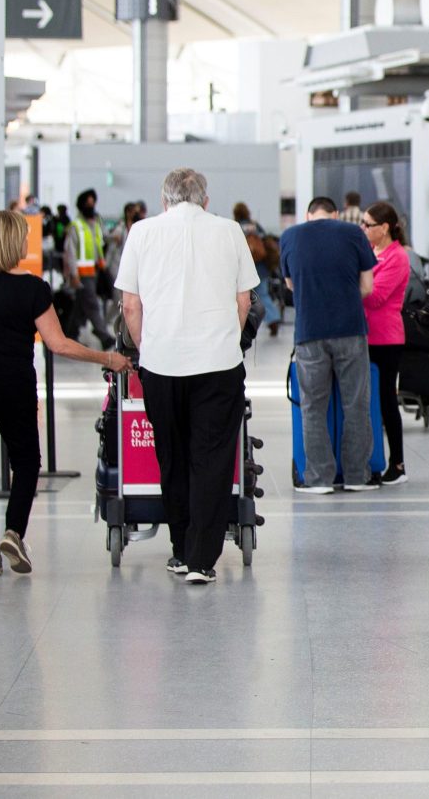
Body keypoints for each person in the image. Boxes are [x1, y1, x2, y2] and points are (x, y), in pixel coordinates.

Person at [115, 169, 260, 584]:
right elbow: (244, 298)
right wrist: (227, 339)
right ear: (205, 200)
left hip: (161, 364)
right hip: (218, 364)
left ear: (165, 201)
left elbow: (130, 304)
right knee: (212, 459)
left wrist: (147, 348)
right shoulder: (230, 230)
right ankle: (201, 560)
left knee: (172, 456)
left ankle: (180, 550)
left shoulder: (142, 232)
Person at [0, 212, 131, 576]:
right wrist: (108, 357)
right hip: (15, 384)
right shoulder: (33, 288)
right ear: (16, 243)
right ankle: (13, 531)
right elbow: (58, 344)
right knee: (26, 462)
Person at [280, 196, 380, 494]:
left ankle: (318, 478)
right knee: (356, 405)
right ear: (335, 214)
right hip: (350, 328)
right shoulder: (352, 233)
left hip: (309, 331)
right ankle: (356, 476)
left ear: (309, 214)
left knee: (312, 407)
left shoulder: (290, 236)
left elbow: (289, 285)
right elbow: (368, 287)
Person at [360, 201, 411, 486]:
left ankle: (398, 463)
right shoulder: (369, 252)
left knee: (386, 401)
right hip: (364, 336)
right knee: (367, 402)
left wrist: (350, 284)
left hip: (385, 338)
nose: (363, 229)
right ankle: (372, 459)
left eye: (368, 224)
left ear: (384, 228)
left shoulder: (397, 257)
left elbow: (376, 297)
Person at [63, 188, 115, 350]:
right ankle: (103, 335)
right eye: (88, 203)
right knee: (92, 303)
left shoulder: (96, 222)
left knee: (81, 306)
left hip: (97, 271)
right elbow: (70, 251)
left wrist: (114, 237)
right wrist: (73, 274)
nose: (91, 206)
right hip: (82, 273)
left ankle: (70, 334)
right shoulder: (76, 226)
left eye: (93, 202)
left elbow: (103, 239)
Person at [232, 203, 283, 338]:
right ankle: (273, 318)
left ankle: (245, 324)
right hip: (261, 266)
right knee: (263, 294)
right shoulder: (254, 225)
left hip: (245, 267)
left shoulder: (235, 226)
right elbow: (266, 240)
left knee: (243, 296)